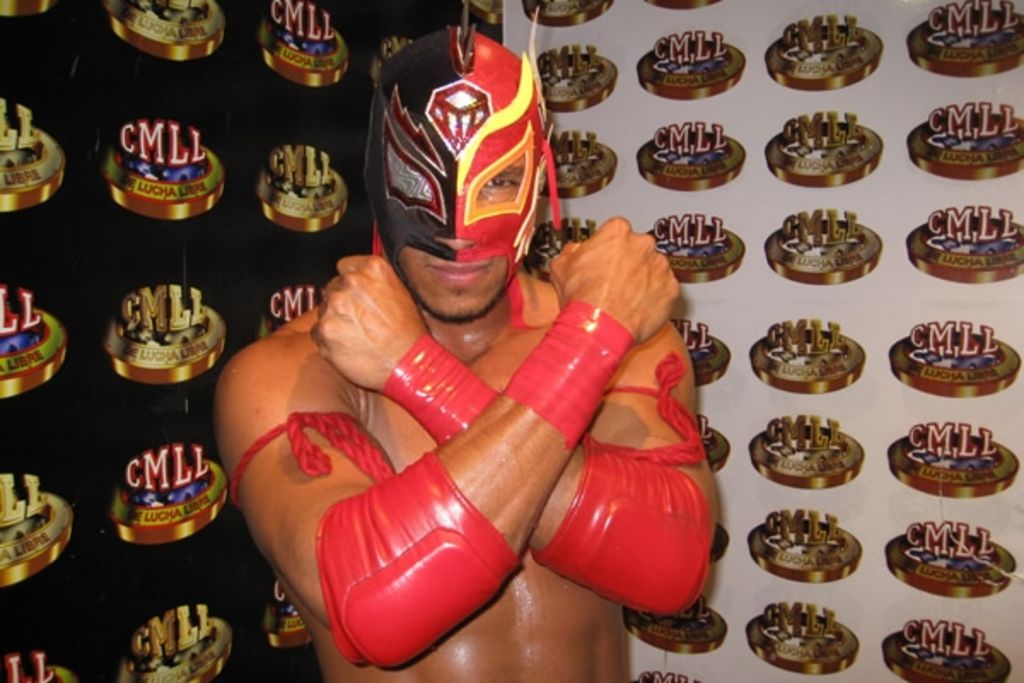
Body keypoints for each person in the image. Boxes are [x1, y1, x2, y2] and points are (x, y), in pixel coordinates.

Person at [214, 24, 718, 683]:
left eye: (500, 180)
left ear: (538, 182)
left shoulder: (620, 341)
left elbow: (670, 566)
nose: (457, 236)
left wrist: (418, 372)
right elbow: (372, 598)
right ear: (378, 175)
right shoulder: (287, 372)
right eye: (416, 178)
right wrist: (591, 342)